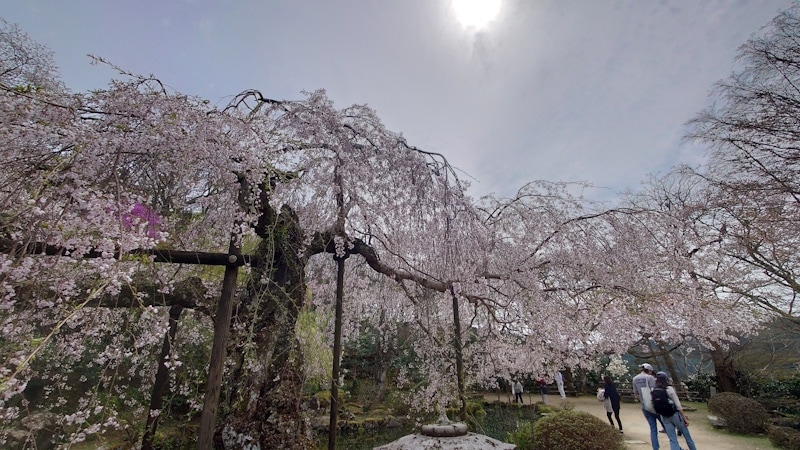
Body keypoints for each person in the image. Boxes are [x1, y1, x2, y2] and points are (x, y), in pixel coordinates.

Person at [654, 371, 697, 450]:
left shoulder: (654, 390)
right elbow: (678, 405)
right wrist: (684, 417)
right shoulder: (669, 389)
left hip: (664, 416)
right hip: (675, 414)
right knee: (687, 437)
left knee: (673, 440)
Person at [632, 363, 661, 449]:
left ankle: (655, 448)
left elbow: (636, 393)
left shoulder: (635, 378)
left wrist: (642, 400)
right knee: (666, 425)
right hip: (654, 405)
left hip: (644, 405)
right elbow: (655, 390)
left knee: (653, 429)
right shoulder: (650, 378)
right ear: (649, 370)